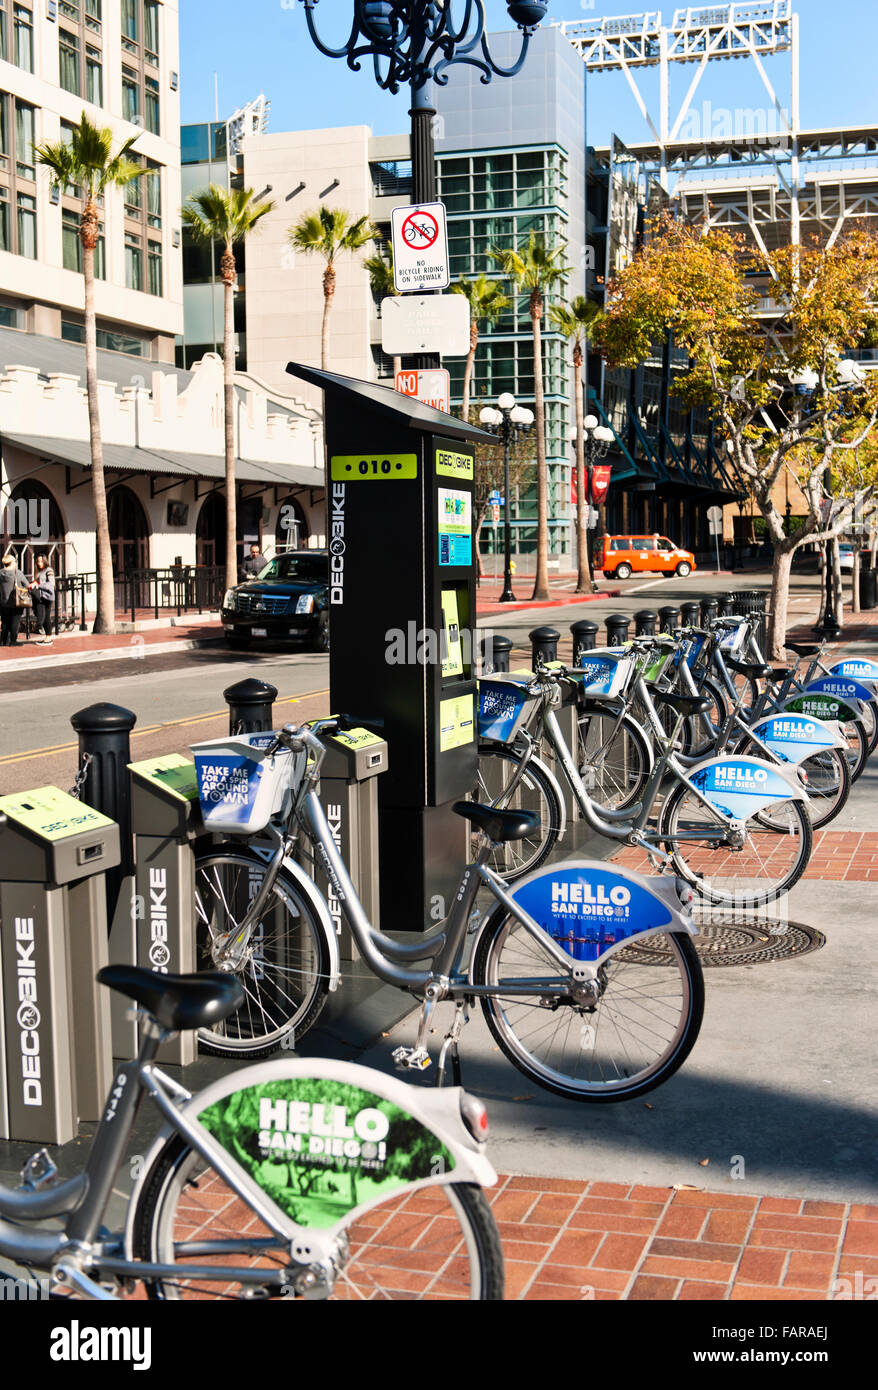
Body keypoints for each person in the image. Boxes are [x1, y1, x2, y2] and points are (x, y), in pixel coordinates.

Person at [0, 553, 29, 647]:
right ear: (12, 562)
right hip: (16, 601)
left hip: (3, 602)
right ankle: (13, 640)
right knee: (15, 622)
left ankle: (3, 640)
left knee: (5, 621)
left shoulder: (0, 573)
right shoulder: (17, 573)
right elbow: (27, 585)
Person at [29, 553, 55, 645]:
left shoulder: (49, 570)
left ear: (45, 561)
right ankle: (47, 636)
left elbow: (51, 584)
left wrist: (38, 585)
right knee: (41, 615)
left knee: (46, 616)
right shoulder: (39, 572)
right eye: (37, 561)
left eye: (41, 561)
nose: (39, 563)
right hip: (40, 596)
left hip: (46, 596)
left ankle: (48, 638)